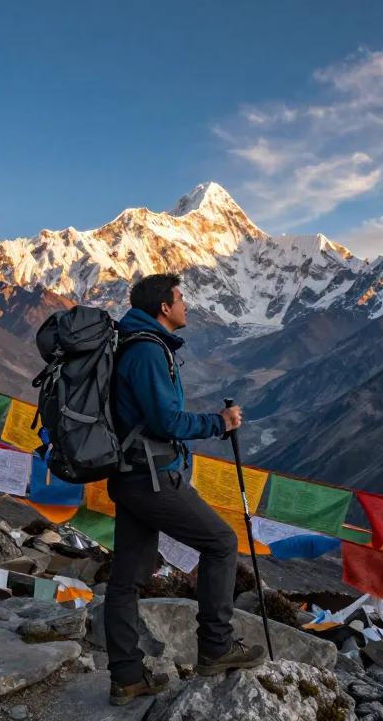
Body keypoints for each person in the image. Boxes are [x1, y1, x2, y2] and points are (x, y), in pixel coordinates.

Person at [105, 273, 267, 706]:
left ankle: (127, 676)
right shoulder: (146, 350)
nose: (187, 305)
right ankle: (216, 646)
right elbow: (167, 422)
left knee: (126, 581)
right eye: (181, 298)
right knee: (220, 543)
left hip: (132, 475)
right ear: (163, 307)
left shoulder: (135, 343)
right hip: (153, 479)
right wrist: (220, 422)